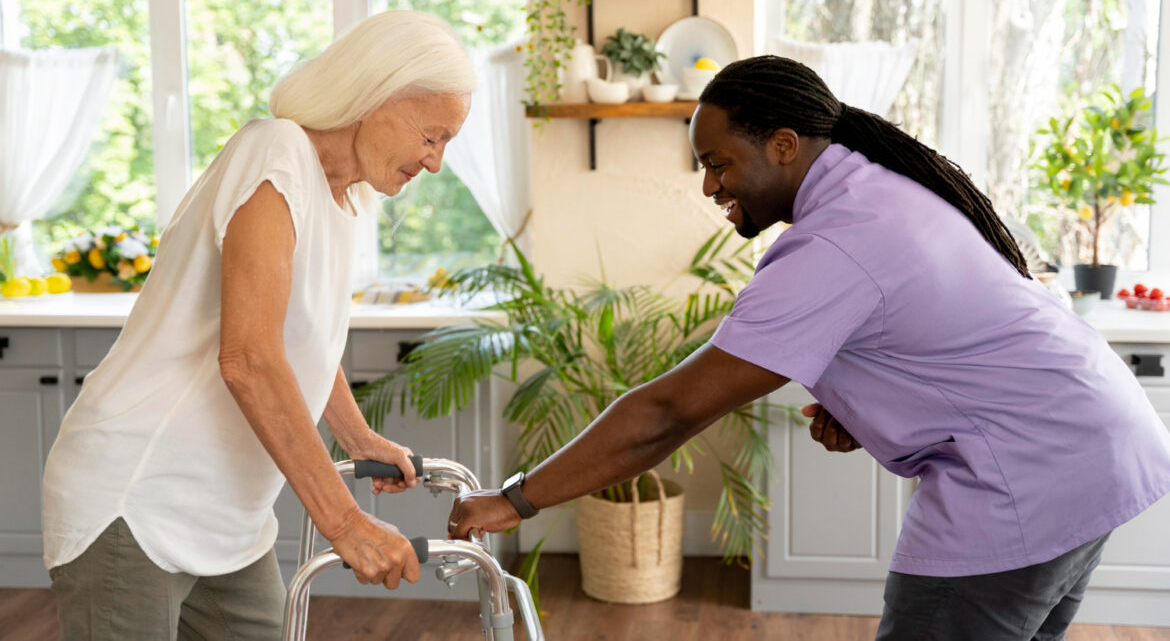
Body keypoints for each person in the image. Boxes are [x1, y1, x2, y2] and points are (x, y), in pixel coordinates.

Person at [447, 55, 1170, 640]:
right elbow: (942, 331)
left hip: (1032, 475)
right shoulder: (877, 193)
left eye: (718, 162)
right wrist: (874, 410)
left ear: (784, 146)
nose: (708, 185)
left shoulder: (836, 243)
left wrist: (515, 499)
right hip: (1093, 448)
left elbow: (667, 413)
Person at [41, 10, 474, 640]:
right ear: (377, 96)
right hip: (137, 501)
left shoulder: (345, 196)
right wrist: (346, 522)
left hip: (228, 521)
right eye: (432, 136)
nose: (434, 163)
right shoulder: (276, 152)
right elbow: (248, 356)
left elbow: (301, 338)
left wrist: (356, 437)